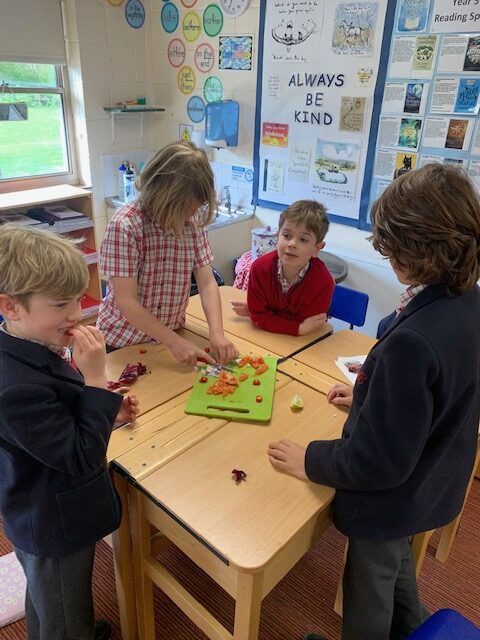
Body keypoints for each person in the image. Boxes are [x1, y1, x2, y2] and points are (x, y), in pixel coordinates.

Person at [267, 164, 480, 640]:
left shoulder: (414, 343)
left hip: (394, 492)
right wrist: (370, 393)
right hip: (434, 477)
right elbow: (436, 394)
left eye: (391, 248)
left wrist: (312, 458)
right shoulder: (468, 300)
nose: (385, 256)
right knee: (397, 559)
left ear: (415, 250)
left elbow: (378, 461)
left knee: (369, 583)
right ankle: (414, 628)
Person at [0, 224, 140, 640]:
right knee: (62, 607)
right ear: (11, 307)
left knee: (48, 596)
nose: (77, 314)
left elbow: (54, 420)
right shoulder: (15, 387)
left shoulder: (27, 346)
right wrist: (96, 383)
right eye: (61, 304)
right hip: (51, 521)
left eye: (78, 298)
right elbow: (79, 457)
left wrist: (102, 411)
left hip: (35, 506)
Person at [97, 140, 237, 366]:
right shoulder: (125, 226)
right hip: (123, 342)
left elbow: (207, 283)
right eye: (185, 209)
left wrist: (217, 334)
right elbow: (127, 302)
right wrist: (173, 342)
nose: (190, 216)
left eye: (194, 209)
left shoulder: (191, 224)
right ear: (163, 197)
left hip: (170, 335)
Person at [231, 200, 335, 335]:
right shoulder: (259, 268)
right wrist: (297, 327)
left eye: (303, 240)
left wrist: (264, 314)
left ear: (317, 248)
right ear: (277, 236)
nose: (292, 244)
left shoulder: (323, 282)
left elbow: (308, 323)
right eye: (286, 236)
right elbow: (259, 315)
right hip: (266, 337)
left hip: (303, 344)